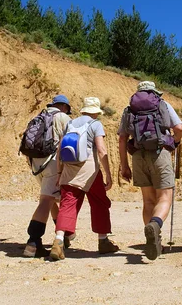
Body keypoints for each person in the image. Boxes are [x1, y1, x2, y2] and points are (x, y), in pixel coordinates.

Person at [118, 81, 182, 260]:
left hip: (138, 156)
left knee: (148, 200)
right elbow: (178, 128)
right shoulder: (162, 104)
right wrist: (175, 142)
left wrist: (124, 165)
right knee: (164, 197)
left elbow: (122, 139)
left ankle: (153, 241)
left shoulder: (129, 110)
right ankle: (155, 225)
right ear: (154, 92)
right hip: (159, 152)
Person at [50, 97, 118, 260]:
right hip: (90, 171)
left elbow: (60, 150)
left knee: (67, 203)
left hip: (69, 170)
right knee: (99, 203)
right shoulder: (96, 124)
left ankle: (58, 241)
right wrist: (108, 173)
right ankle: (103, 241)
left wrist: (59, 173)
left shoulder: (70, 124)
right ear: (96, 112)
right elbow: (101, 150)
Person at [23, 95, 72, 257]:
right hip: (52, 162)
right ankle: (33, 241)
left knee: (49, 199)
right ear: (64, 107)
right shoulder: (62, 117)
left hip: (36, 163)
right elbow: (71, 141)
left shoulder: (39, 116)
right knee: (46, 200)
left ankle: (64, 236)